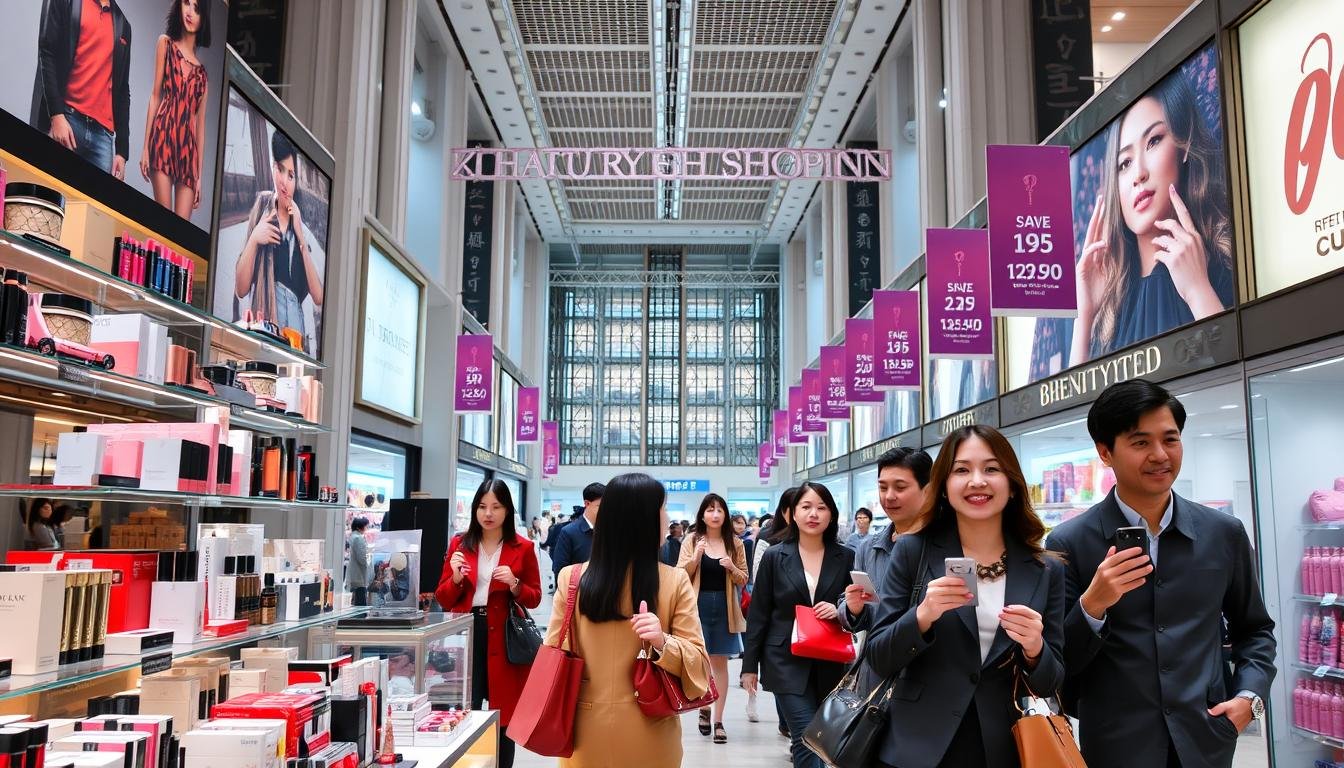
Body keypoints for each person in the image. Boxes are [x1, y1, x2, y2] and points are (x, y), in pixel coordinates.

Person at [1046, 380, 1276, 768]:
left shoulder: (1223, 532)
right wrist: (1092, 605)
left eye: (1170, 439)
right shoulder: (1070, 541)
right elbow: (1057, 660)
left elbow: (1254, 630)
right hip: (1116, 746)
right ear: (1106, 452)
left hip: (1207, 737)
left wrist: (1248, 700)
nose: (1160, 455)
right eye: (1140, 443)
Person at [864, 425, 1066, 768]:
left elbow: (1052, 678)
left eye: (991, 469)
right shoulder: (914, 551)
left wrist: (1035, 648)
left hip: (1004, 745)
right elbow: (879, 656)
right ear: (943, 486)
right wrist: (923, 615)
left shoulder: (1045, 568)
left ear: (1013, 485)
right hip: (918, 745)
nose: (977, 481)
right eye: (961, 470)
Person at [546, 473, 710, 768]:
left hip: (584, 729)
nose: (668, 517)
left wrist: (660, 639)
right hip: (652, 728)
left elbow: (554, 652)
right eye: (663, 509)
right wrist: (663, 643)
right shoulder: (674, 581)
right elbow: (698, 665)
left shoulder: (572, 579)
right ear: (644, 521)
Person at [1070, 73, 1233, 367]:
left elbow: (1239, 379)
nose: (1139, 174)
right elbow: (1075, 411)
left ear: (1184, 146)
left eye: (1154, 141)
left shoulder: (1219, 262)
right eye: (1124, 163)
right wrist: (1085, 317)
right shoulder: (1112, 305)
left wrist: (1198, 291)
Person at [741, 482, 867, 768]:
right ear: (792, 514)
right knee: (804, 735)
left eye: (821, 508)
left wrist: (840, 609)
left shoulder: (846, 556)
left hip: (830, 658)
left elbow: (857, 609)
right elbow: (759, 613)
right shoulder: (775, 556)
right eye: (806, 507)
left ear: (831, 515)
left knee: (823, 738)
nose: (814, 514)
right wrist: (750, 666)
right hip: (784, 657)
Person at [434, 480, 541, 768]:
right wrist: (456, 577)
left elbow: (535, 598)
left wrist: (515, 584)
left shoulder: (524, 548)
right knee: (463, 709)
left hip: (504, 638)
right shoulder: (459, 543)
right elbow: (443, 598)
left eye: (496, 506)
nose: (488, 513)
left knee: (503, 715)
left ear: (507, 510)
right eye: (482, 506)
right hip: (465, 635)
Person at [233, 130, 325, 347]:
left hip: (295, 338)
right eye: (280, 170)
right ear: (273, 168)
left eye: (291, 175)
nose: (284, 181)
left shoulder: (299, 225)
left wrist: (302, 240)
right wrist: (255, 239)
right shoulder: (262, 209)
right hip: (265, 332)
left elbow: (319, 297)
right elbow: (241, 289)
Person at [32, 0, 133, 178]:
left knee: (94, 204)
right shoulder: (68, 3)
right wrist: (56, 116)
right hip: (68, 121)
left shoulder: (123, 25)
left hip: (103, 137)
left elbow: (123, 89)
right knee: (52, 195)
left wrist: (122, 151)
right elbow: (47, 53)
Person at [677, 493, 749, 744]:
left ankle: (718, 719)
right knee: (700, 662)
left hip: (726, 608)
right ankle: (703, 708)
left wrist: (731, 567)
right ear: (703, 514)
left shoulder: (735, 543)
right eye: (710, 510)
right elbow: (680, 575)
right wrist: (696, 557)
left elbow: (744, 578)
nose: (715, 514)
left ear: (726, 515)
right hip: (697, 607)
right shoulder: (692, 539)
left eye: (720, 510)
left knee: (720, 664)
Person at [139, 0, 211, 217]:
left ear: (203, 18)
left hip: (188, 153)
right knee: (164, 226)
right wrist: (145, 148)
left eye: (197, 9)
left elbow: (200, 127)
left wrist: (198, 177)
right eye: (187, 4)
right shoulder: (165, 44)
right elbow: (155, 96)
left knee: (181, 236)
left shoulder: (203, 76)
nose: (190, 12)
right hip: (162, 139)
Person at [746, 488, 796, 729]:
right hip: (778, 618)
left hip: (810, 624)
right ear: (786, 510)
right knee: (782, 676)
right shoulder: (769, 536)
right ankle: (786, 722)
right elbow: (758, 576)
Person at [551, 482, 604, 578]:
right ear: (587, 503)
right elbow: (560, 570)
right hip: (579, 590)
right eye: (600, 506)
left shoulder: (609, 530)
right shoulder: (569, 532)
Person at [347, 516, 370, 606]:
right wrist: (369, 563)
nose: (366, 528)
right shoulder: (358, 538)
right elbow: (362, 558)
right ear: (359, 527)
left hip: (355, 572)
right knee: (360, 600)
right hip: (359, 573)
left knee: (357, 598)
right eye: (365, 526)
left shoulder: (353, 537)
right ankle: (360, 619)